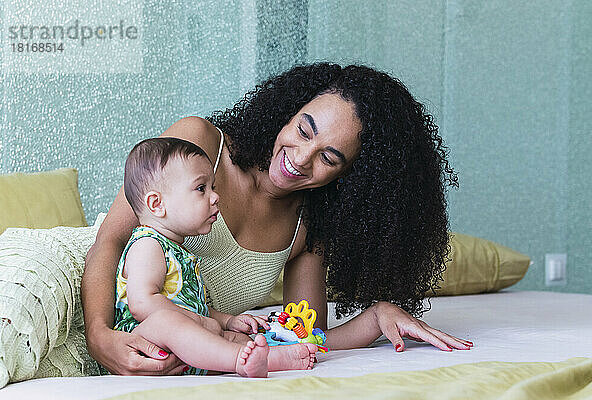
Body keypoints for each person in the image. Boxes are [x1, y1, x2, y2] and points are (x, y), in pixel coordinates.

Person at [83, 63, 473, 376]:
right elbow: (111, 241)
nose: (301, 157)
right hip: (94, 301)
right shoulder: (199, 148)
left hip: (185, 347)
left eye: (329, 158)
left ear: (349, 178)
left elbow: (304, 339)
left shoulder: (307, 229)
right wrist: (100, 338)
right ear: (287, 113)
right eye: (304, 130)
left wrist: (376, 316)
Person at [112, 137, 317, 377]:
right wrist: (198, 322)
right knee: (167, 323)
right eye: (201, 188)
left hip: (184, 345)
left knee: (236, 337)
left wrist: (227, 321)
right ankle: (239, 361)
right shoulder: (148, 244)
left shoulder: (181, 251)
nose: (215, 197)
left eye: (213, 187)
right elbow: (142, 304)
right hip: (145, 345)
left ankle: (273, 358)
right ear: (157, 204)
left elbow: (194, 306)